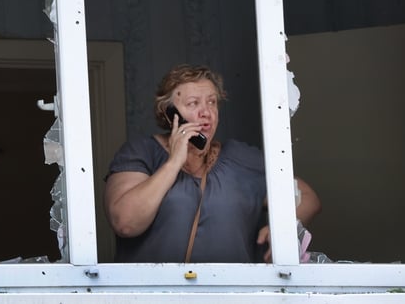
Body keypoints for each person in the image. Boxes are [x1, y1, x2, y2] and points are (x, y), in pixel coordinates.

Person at [104, 64, 321, 263]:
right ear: (169, 114)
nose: (205, 112)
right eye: (193, 103)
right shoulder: (140, 152)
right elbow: (126, 222)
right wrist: (174, 162)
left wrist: (282, 227)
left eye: (212, 102)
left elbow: (308, 198)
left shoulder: (242, 158)